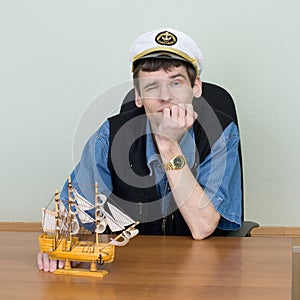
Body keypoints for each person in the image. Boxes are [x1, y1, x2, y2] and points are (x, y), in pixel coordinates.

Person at [38, 28, 242, 272]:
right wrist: (62, 250)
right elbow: (77, 212)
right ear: (138, 95)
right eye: (152, 86)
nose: (165, 96)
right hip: (132, 267)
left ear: (195, 87)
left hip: (202, 268)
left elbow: (203, 227)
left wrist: (168, 146)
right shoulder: (111, 135)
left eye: (176, 83)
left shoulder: (221, 133)